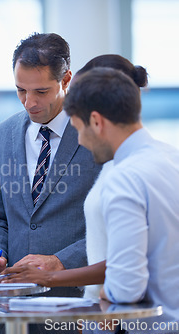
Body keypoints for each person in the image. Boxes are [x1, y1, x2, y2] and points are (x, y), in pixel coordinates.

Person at [0, 55, 149, 300]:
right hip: (32, 300)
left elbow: (126, 266)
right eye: (21, 90)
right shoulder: (147, 163)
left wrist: (54, 272)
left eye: (78, 127)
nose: (29, 102)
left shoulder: (125, 172)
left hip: (107, 308)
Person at [0, 32, 101, 333]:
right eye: (20, 90)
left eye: (41, 92)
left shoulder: (95, 135)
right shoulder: (4, 133)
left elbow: (112, 228)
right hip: (14, 308)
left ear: (67, 80)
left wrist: (61, 262)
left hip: (77, 306)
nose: (29, 102)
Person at [65, 67, 179, 332]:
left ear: (96, 121)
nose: (80, 141)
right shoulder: (173, 158)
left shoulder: (123, 177)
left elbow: (127, 286)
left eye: (78, 129)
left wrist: (108, 290)